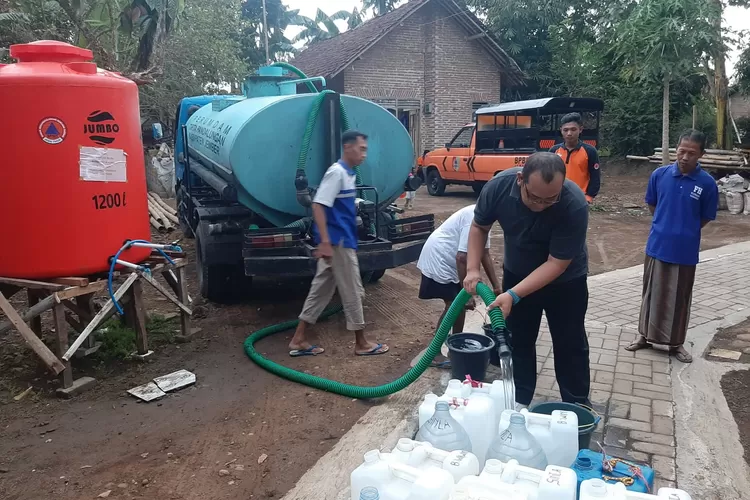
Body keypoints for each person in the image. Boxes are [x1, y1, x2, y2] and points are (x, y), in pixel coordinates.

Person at [463, 152, 590, 408]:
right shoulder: (497, 188)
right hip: (518, 272)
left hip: (566, 282)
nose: (541, 205)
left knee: (570, 342)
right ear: (520, 179)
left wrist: (512, 295)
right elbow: (479, 227)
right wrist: (472, 269)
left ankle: (577, 406)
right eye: (534, 198)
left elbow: (557, 263)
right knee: (519, 339)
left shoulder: (573, 203)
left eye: (550, 200)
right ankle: (518, 401)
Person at [288, 130, 389, 357]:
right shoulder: (337, 173)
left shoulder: (348, 174)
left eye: (365, 150)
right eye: (361, 149)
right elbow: (318, 205)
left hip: (339, 241)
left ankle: (298, 339)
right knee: (354, 292)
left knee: (320, 291)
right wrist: (324, 241)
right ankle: (361, 343)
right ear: (348, 147)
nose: (364, 154)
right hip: (337, 243)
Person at [626, 129, 718, 364]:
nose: (685, 157)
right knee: (650, 294)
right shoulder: (660, 175)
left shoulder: (706, 184)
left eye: (691, 153)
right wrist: (664, 226)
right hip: (657, 245)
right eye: (682, 151)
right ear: (676, 149)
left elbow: (705, 217)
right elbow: (652, 204)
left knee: (680, 298)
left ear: (701, 155)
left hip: (685, 250)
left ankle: (676, 344)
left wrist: (684, 229)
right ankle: (644, 337)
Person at [416, 204, 502, 367]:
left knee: (458, 306)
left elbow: (484, 252)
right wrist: (467, 292)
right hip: (440, 257)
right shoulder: (475, 216)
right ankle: (433, 354)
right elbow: (462, 257)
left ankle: (455, 347)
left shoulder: (485, 216)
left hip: (452, 260)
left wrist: (496, 286)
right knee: (453, 305)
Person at [550, 113, 601, 204]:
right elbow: (547, 174)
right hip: (556, 197)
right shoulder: (554, 151)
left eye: (573, 129)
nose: (569, 133)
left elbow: (595, 176)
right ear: (561, 130)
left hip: (579, 198)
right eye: (566, 130)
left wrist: (589, 196)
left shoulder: (590, 151)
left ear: (580, 129)